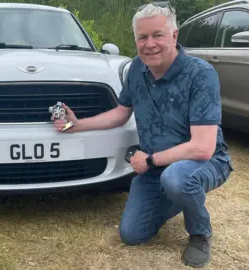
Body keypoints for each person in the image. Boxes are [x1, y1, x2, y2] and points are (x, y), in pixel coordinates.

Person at [52, 2, 234, 268]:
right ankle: (180, 194)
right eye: (142, 37)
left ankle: (199, 233)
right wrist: (77, 125)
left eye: (158, 35)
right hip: (158, 167)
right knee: (132, 234)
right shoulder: (137, 68)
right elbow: (120, 113)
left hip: (205, 163)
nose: (150, 44)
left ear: (174, 35)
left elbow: (203, 148)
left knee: (177, 178)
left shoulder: (201, 74)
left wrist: (148, 161)